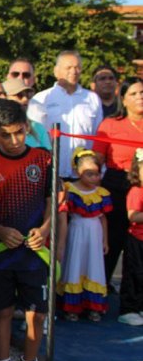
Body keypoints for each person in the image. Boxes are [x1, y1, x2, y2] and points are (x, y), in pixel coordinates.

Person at [0, 99, 52, 361]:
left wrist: (45, 229)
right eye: (6, 135)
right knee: (3, 312)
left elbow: (53, 202)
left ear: (27, 127)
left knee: (37, 313)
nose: (14, 140)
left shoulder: (43, 159)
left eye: (19, 132)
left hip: (34, 253)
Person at [93, 77, 143, 288]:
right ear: (123, 99)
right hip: (117, 184)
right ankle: (102, 289)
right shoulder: (111, 124)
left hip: (142, 186)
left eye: (142, 93)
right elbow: (97, 159)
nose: (140, 97)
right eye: (134, 93)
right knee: (113, 240)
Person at [28, 50, 102, 179]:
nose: (74, 71)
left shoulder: (92, 99)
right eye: (68, 67)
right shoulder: (41, 99)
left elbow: (98, 135)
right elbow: (34, 136)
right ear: (56, 71)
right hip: (51, 173)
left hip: (84, 176)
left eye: (77, 67)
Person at [56, 148, 111, 322]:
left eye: (97, 174)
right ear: (77, 172)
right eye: (89, 174)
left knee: (93, 266)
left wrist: (105, 240)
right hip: (77, 231)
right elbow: (63, 216)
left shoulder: (101, 193)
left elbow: (103, 218)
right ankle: (71, 307)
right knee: (75, 264)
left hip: (94, 234)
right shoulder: (70, 190)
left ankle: (93, 306)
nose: (94, 178)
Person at [119, 150, 143, 326]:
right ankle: (129, 309)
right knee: (134, 273)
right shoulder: (136, 191)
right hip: (137, 240)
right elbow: (132, 216)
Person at [2, 79, 51, 150]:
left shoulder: (38, 127)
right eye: (19, 95)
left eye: (28, 95)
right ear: (4, 98)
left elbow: (48, 154)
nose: (25, 99)